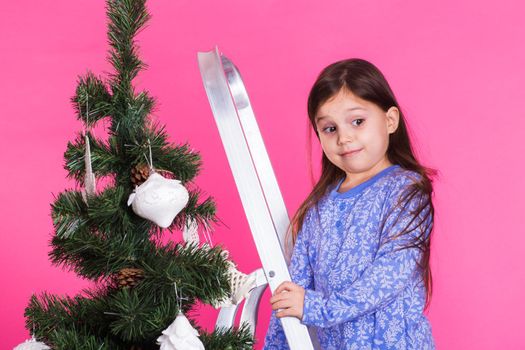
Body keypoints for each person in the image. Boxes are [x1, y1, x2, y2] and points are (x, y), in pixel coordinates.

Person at [263, 58, 436, 349]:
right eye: (330, 128)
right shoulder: (318, 207)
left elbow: (388, 276)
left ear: (389, 120)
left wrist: (318, 308)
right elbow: (293, 292)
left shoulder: (405, 192)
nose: (344, 137)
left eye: (358, 121)